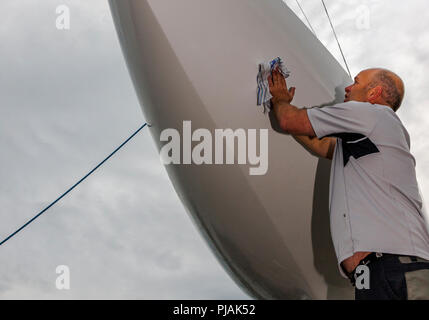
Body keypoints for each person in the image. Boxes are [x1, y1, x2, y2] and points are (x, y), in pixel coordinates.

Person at [268, 67, 429, 300]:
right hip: (375, 272)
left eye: (356, 82)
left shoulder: (370, 114)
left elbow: (290, 121)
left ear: (374, 93)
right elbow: (323, 145)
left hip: (395, 267)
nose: (347, 87)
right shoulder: (378, 130)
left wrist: (280, 100)